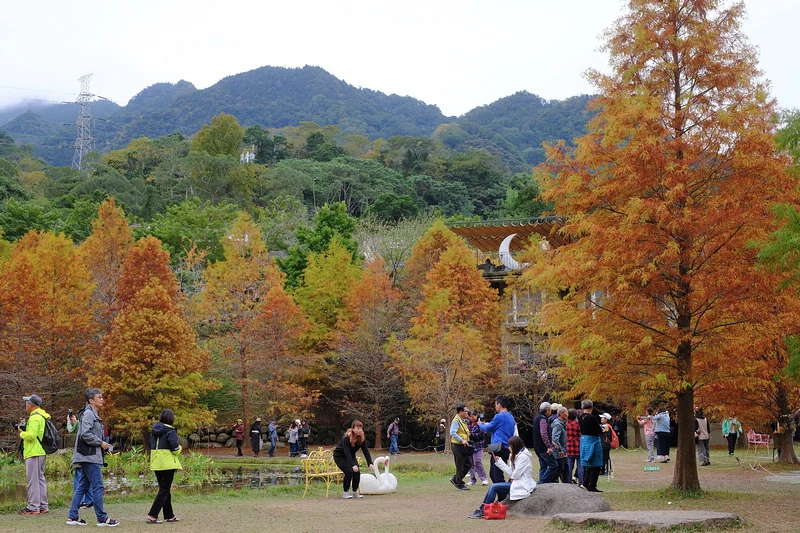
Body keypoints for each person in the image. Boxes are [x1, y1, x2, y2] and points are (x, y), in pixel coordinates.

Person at [67, 388, 120, 527]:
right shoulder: (89, 414)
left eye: (102, 397)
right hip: (89, 456)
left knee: (83, 486)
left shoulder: (92, 414)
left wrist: (103, 444)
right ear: (91, 400)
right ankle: (102, 518)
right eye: (99, 397)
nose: (102, 399)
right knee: (98, 486)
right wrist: (101, 443)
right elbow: (85, 434)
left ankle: (73, 516)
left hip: (87, 456)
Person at [467, 436, 535, 519]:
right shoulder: (515, 455)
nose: (509, 448)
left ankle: (483, 510)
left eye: (510, 446)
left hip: (522, 484)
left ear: (515, 446)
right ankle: (482, 509)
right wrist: (500, 462)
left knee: (493, 487)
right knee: (493, 487)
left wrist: (511, 463)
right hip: (515, 482)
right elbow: (511, 473)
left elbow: (515, 475)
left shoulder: (523, 457)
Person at [146, 409, 182, 524]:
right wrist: (179, 448)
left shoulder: (153, 431)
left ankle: (169, 515)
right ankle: (153, 515)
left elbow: (151, 444)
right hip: (167, 463)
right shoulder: (170, 431)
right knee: (164, 490)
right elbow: (174, 448)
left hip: (156, 463)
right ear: (171, 418)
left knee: (165, 490)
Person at [18, 394, 50, 515]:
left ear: (30, 405)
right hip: (40, 451)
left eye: (27, 403)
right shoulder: (41, 416)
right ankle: (42, 505)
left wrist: (21, 433)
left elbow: (31, 435)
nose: (26, 406)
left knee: (33, 480)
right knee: (40, 479)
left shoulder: (35, 418)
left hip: (33, 452)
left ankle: (33, 506)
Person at [478, 395, 517, 483]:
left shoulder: (499, 416)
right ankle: (502, 494)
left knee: (496, 475)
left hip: (498, 447)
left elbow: (488, 428)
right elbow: (497, 428)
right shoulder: (510, 417)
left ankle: (503, 495)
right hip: (506, 447)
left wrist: (480, 424)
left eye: (495, 404)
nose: (495, 407)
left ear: (499, 404)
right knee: (494, 473)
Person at [332, 420, 374, 499]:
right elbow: (346, 452)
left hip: (350, 456)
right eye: (357, 428)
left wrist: (370, 463)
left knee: (357, 472)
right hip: (340, 456)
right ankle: (345, 492)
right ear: (353, 429)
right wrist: (352, 465)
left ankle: (355, 492)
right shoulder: (346, 438)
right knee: (349, 471)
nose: (360, 430)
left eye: (361, 428)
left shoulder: (361, 439)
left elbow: (366, 451)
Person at [67, 410, 93, 510]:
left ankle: (80, 501)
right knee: (88, 478)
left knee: (79, 479)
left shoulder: (81, 424)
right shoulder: (92, 423)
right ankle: (89, 500)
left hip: (80, 455)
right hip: (90, 455)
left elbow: (71, 430)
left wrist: (69, 423)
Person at [578, 399, 603, 493]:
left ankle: (585, 482)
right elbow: (598, 430)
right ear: (591, 407)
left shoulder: (580, 417)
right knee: (595, 464)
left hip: (584, 441)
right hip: (593, 441)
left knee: (586, 464)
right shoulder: (592, 418)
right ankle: (592, 485)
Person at [449, 403, 474, 491]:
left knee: (468, 463)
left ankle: (456, 479)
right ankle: (459, 483)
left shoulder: (462, 420)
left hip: (463, 446)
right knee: (460, 465)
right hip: (457, 445)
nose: (467, 412)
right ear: (460, 412)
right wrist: (462, 440)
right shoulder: (456, 420)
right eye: (466, 411)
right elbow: (452, 432)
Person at [532, 402, 558, 483]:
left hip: (537, 447)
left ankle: (541, 486)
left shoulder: (537, 418)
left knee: (543, 466)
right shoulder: (543, 419)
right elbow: (543, 433)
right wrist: (549, 447)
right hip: (544, 448)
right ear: (547, 410)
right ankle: (541, 482)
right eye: (550, 410)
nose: (550, 412)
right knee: (553, 465)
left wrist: (551, 442)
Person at [467, 410, 488, 486]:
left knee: (477, 461)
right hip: (470, 446)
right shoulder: (468, 424)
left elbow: (482, 434)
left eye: (473, 416)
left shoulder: (480, 423)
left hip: (478, 446)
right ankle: (472, 479)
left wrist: (471, 435)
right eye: (470, 416)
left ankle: (484, 478)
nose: (472, 418)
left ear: (476, 415)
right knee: (471, 463)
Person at [551, 406, 569, 483]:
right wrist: (560, 450)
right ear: (561, 413)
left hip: (563, 451)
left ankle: (567, 486)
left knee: (565, 470)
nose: (568, 414)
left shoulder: (561, 423)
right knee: (559, 469)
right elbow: (555, 439)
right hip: (559, 453)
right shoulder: (558, 424)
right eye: (566, 412)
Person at [566, 408, 583, 485]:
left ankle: (568, 481)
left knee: (569, 466)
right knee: (580, 466)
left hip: (569, 447)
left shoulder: (565, 424)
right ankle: (581, 481)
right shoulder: (578, 424)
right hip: (578, 447)